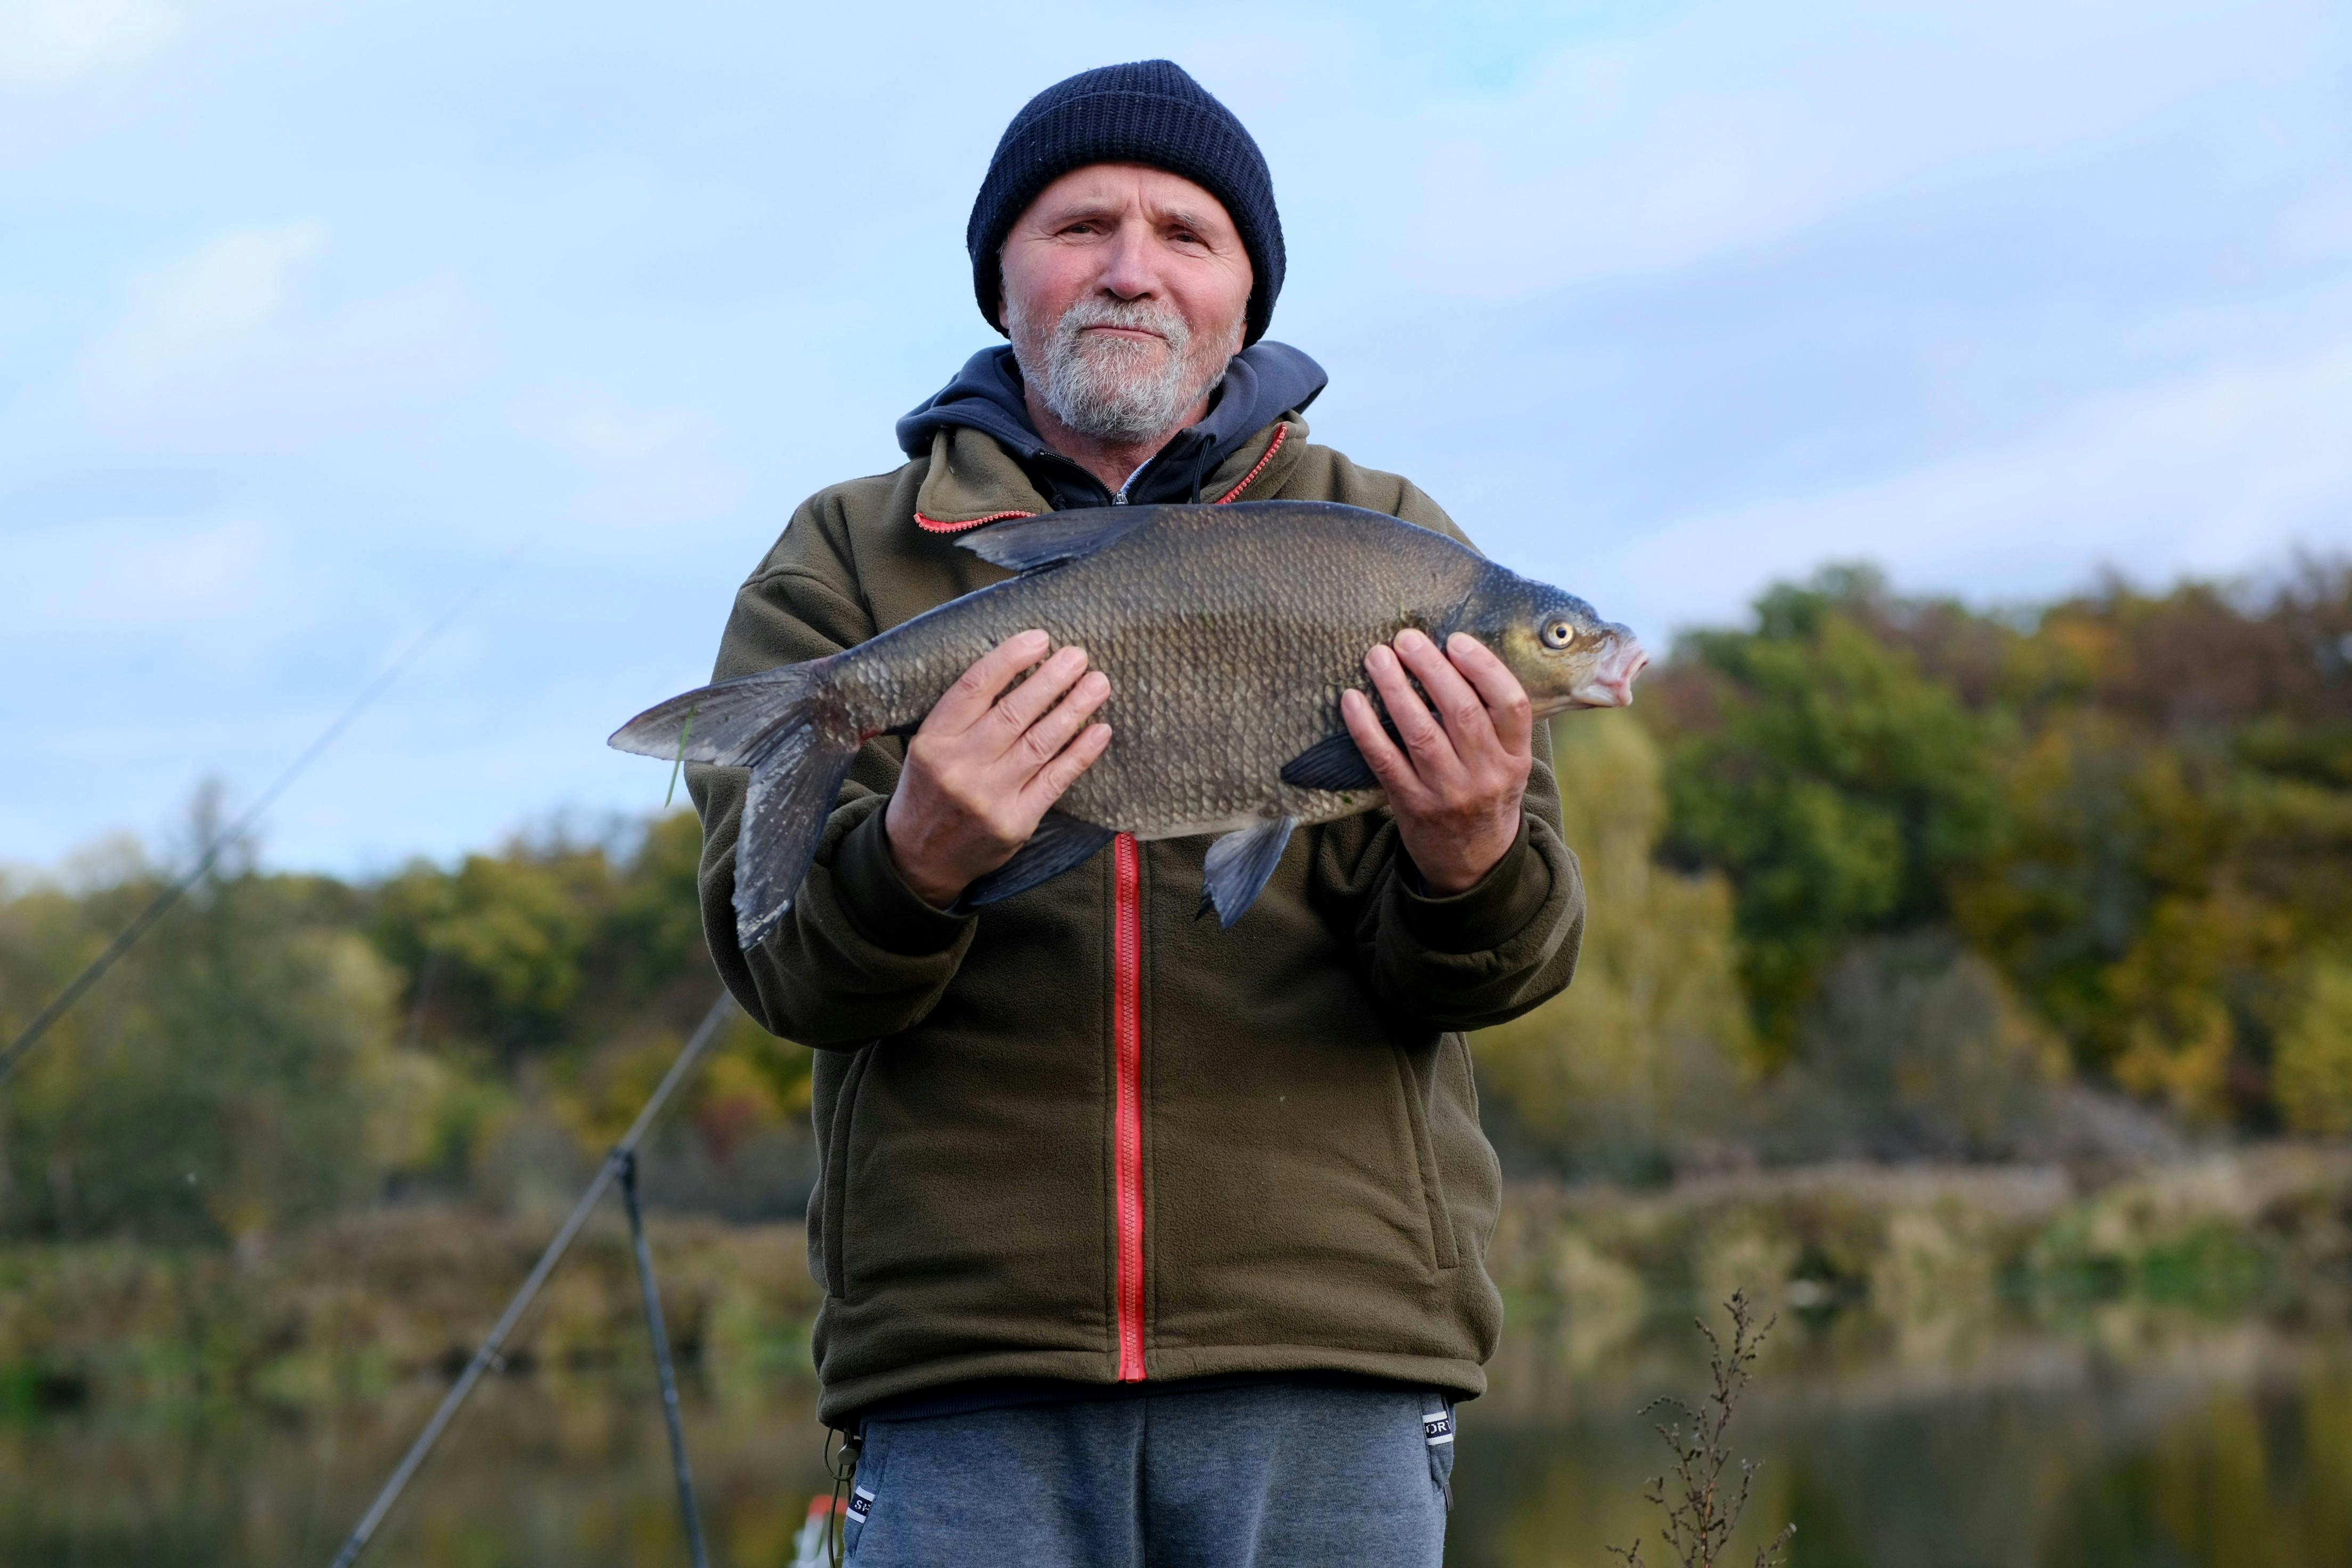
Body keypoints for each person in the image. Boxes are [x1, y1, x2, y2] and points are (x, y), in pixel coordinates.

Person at [686, 59, 1585, 1568]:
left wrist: (1468, 846)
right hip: (965, 1371)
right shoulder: (847, 557)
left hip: (1337, 1351)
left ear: (1246, 290)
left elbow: (1504, 968)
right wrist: (913, 862)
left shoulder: (1397, 547)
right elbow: (778, 969)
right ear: (1002, 279)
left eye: (1186, 232)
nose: (1129, 267)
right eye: (1078, 224)